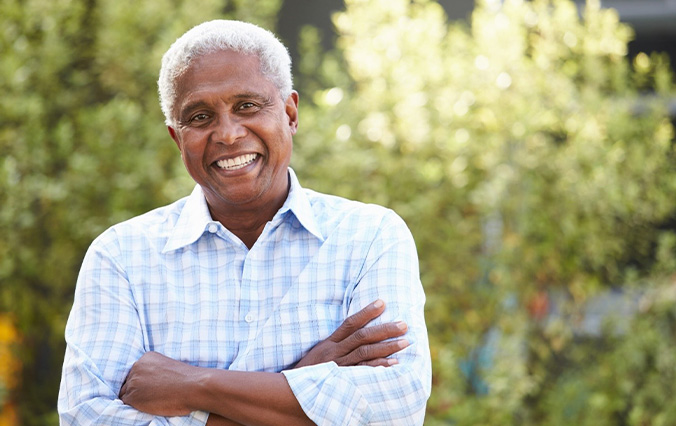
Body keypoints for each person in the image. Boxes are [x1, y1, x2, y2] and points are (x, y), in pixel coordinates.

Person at [58, 20, 431, 425]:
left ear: (290, 113)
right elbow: (86, 417)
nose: (229, 134)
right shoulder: (121, 257)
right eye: (200, 117)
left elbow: (397, 405)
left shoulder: (370, 237)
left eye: (247, 106)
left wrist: (192, 386)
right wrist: (306, 385)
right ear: (177, 138)